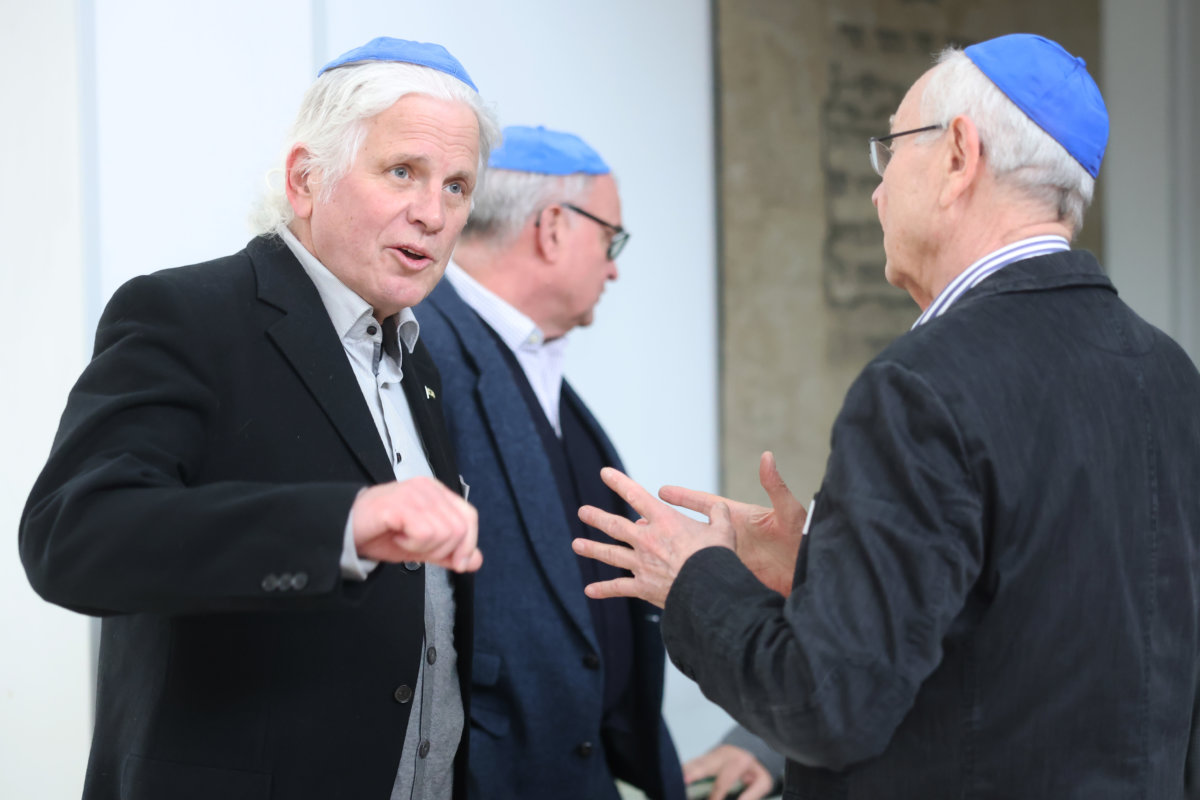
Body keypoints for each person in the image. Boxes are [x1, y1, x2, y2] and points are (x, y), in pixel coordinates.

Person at [571, 33, 1200, 797]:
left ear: (959, 155)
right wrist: (825, 571)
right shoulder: (1169, 372)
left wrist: (694, 579)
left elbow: (827, 705)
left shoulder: (922, 384)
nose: (877, 191)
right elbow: (1045, 626)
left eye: (891, 150)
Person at [19, 37, 500, 800]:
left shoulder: (418, 363)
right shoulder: (186, 314)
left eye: (456, 186)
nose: (432, 213)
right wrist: (341, 525)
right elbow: (73, 537)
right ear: (305, 179)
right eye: (402, 172)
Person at [416, 125, 685, 800]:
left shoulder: (529, 356)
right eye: (611, 240)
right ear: (553, 228)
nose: (614, 268)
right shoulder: (420, 347)